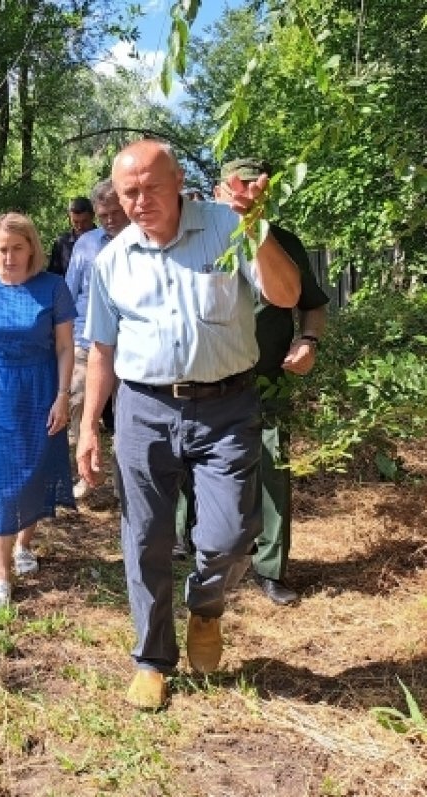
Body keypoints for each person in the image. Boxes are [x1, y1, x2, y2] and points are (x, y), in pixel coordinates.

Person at [75, 139, 301, 710]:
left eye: (152, 185)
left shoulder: (229, 227)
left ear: (178, 180)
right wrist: (86, 429)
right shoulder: (112, 260)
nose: (141, 200)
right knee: (145, 538)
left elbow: (286, 293)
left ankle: (206, 607)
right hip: (143, 411)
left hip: (227, 406)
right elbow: (101, 350)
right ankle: (152, 659)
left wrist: (256, 227)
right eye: (129, 191)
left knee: (230, 533)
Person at [174, 157, 330, 606]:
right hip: (206, 379)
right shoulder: (199, 241)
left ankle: (269, 568)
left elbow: (312, 304)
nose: (244, 195)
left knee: (271, 469)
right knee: (191, 460)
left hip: (265, 382)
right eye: (235, 187)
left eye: (253, 187)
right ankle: (187, 542)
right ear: (220, 191)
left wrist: (309, 341)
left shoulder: (283, 243)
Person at [0, 212, 77, 610]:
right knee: (0, 482)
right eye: (2, 249)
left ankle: (24, 546)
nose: (9, 257)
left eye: (17, 248)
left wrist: (63, 395)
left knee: (33, 472)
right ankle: (1, 577)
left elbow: (65, 347)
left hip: (41, 389)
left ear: (31, 248)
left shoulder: (53, 288)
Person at [65, 179, 129, 499]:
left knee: (126, 414)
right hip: (85, 341)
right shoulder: (86, 244)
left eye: (116, 212)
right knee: (78, 407)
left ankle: (123, 481)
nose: (110, 219)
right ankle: (85, 475)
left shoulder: (143, 239)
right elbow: (69, 292)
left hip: (130, 347)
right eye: (104, 214)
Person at [47, 196, 96, 276]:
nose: (80, 226)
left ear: (93, 217)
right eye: (75, 222)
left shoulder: (105, 239)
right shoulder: (61, 243)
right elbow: (54, 275)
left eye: (84, 221)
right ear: (70, 219)